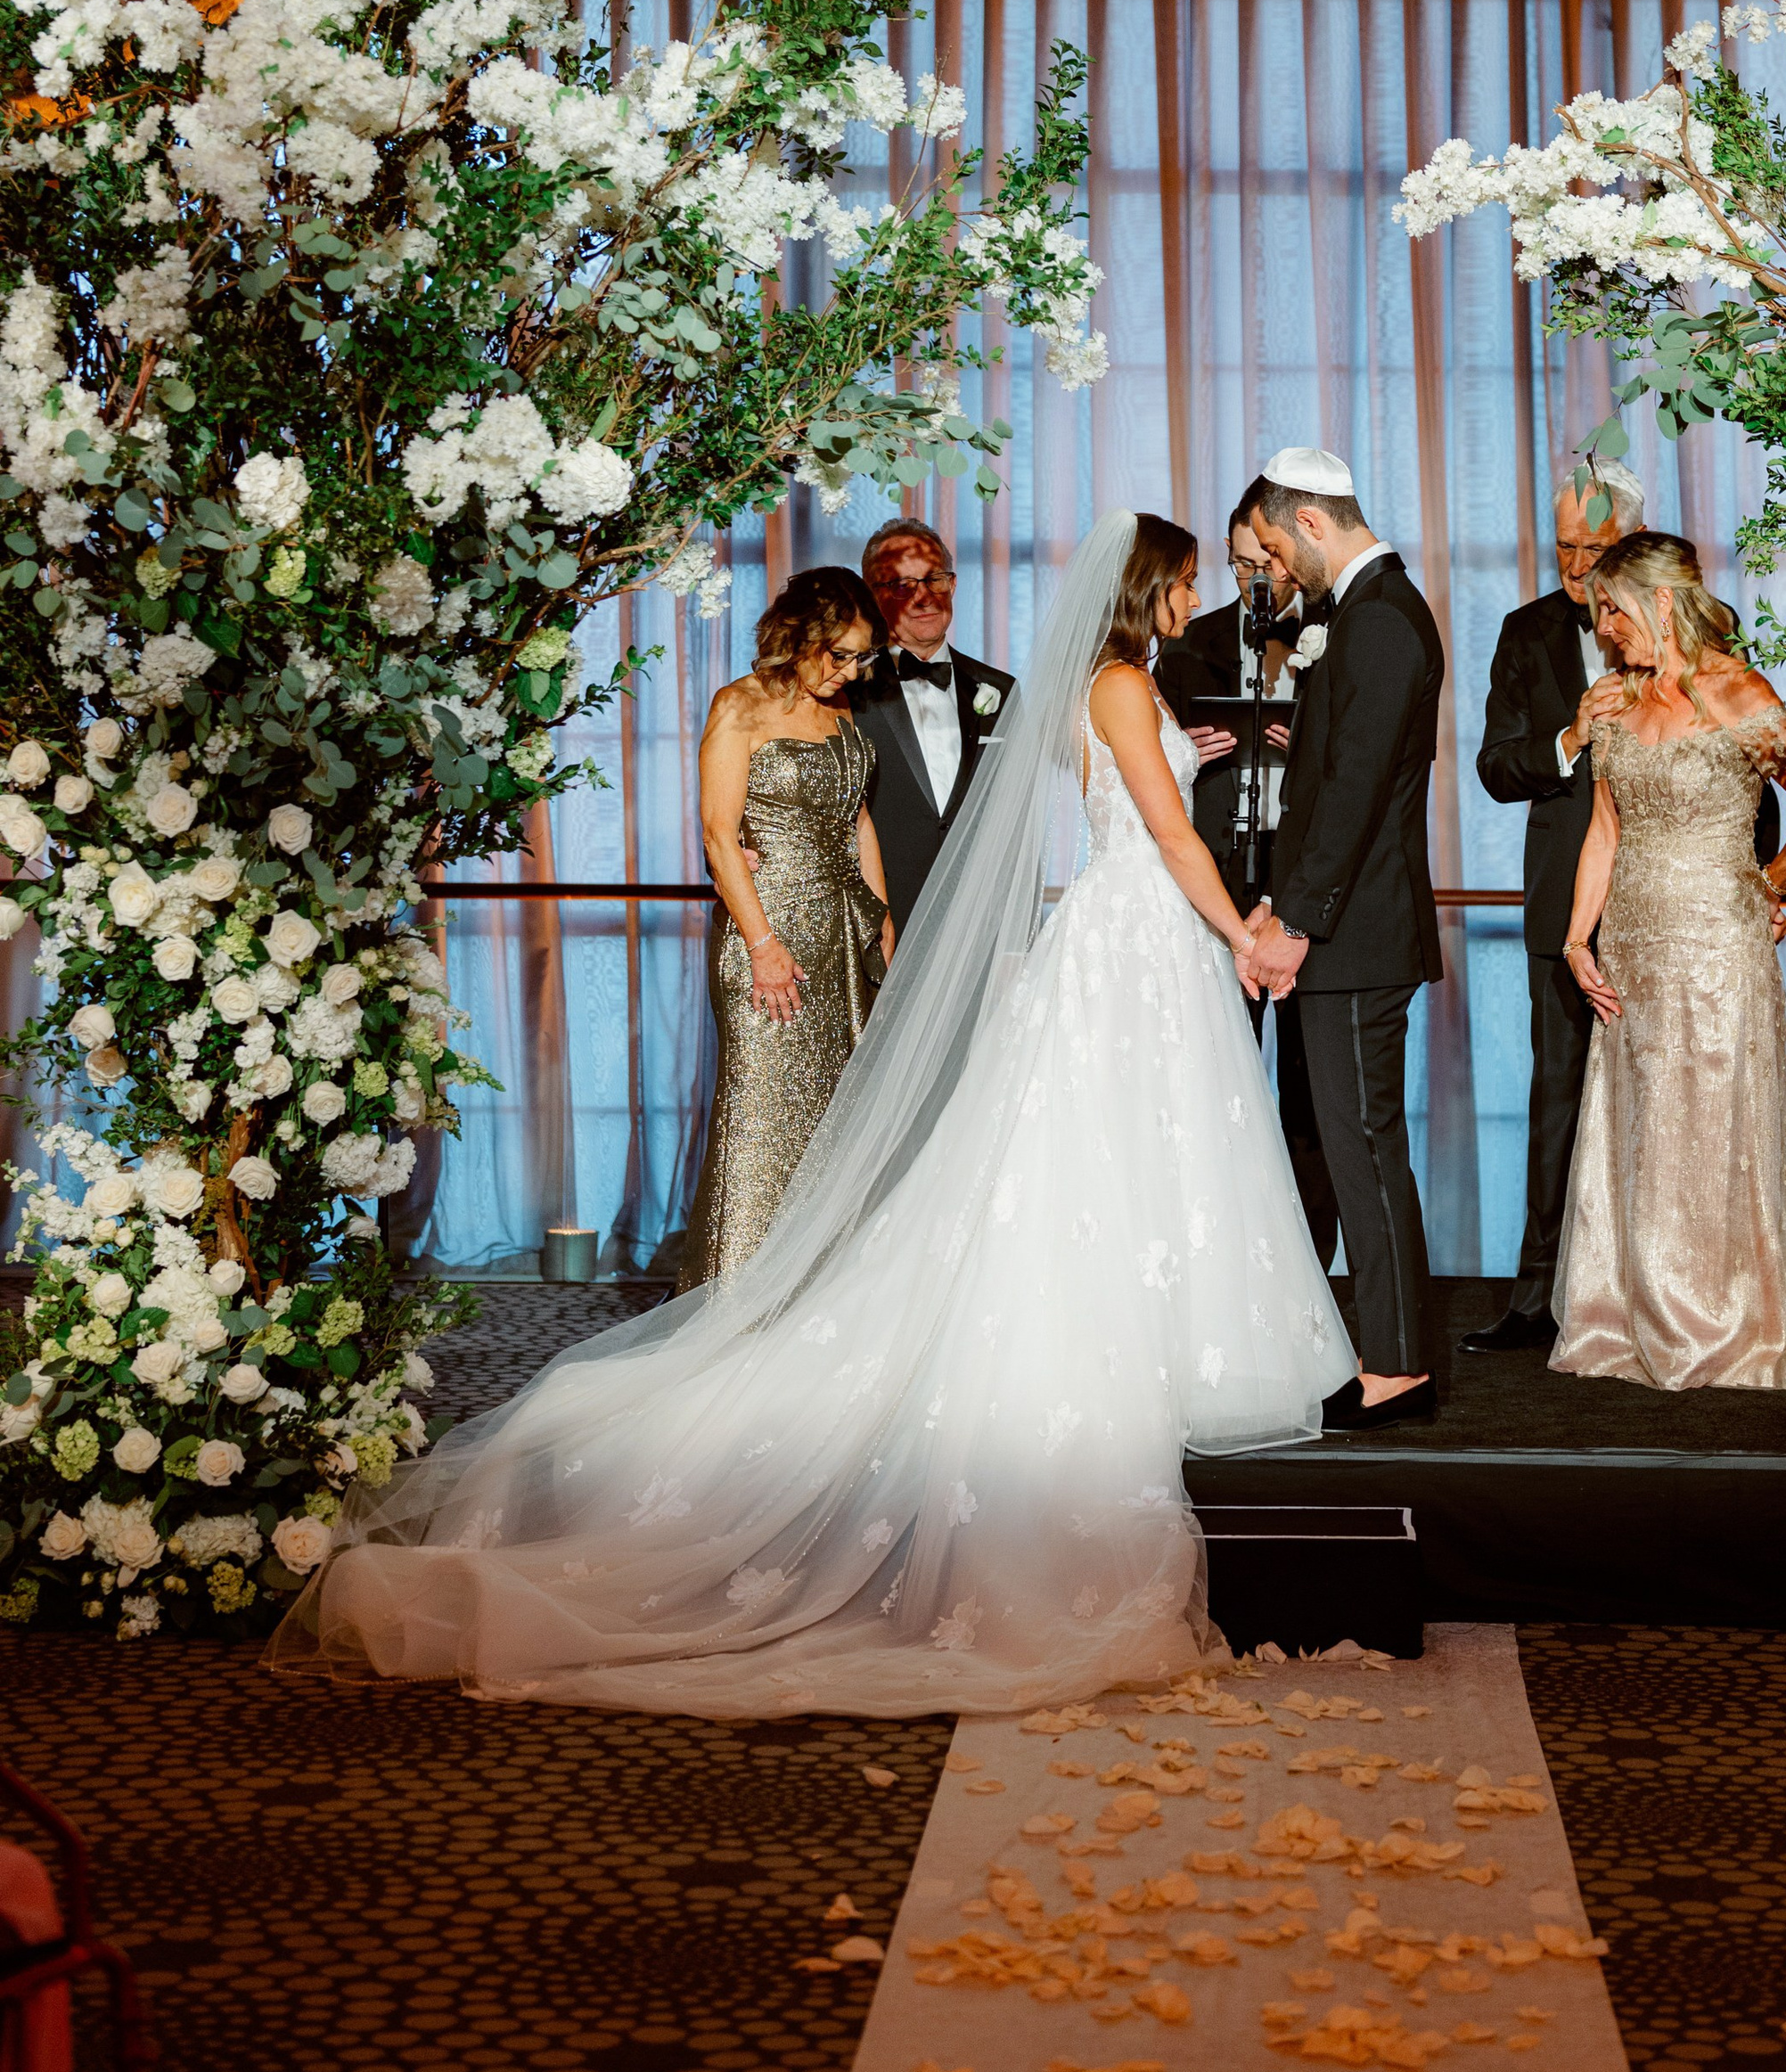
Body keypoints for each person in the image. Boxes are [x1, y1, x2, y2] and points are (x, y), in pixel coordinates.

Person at [271, 512, 1356, 1715]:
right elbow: (1153, 826)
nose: (1198, 594)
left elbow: (1134, 796)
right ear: (1148, 586)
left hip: (1092, 933)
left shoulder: (1105, 687)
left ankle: (1162, 1335)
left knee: (1146, 1150)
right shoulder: (1097, 685)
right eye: (1188, 578)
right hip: (1117, 928)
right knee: (1068, 1154)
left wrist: (1189, 773)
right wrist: (1243, 926)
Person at [1469, 475, 1781, 1355]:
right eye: (1560, 546)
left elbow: (1752, 787)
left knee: (1690, 1104)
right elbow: (1495, 770)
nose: (1572, 566)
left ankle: (1682, 1296)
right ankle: (1542, 1299)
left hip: (1689, 913)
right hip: (1573, 902)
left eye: (1590, 549)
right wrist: (1570, 737)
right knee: (1560, 1104)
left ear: (1635, 545)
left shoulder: (1715, 653)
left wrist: (1756, 884)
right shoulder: (1526, 634)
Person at [1552, 530, 1786, 1392]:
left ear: (1661, 601)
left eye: (1610, 609)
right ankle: (1630, 1316)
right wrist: (1577, 941)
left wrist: (1771, 882)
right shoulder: (1611, 699)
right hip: (1632, 941)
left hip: (1719, 940)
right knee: (1639, 1130)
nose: (1604, 629)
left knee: (1712, 1130)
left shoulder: (1740, 691)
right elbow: (1603, 831)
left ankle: (1724, 1325)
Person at [1242, 448, 1444, 1426]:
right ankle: (1389, 1346)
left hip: (1355, 933)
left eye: (1278, 548)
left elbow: (1355, 792)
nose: (1278, 570)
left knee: (1363, 1144)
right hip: (1343, 927)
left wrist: (1298, 925)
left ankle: (1400, 1363)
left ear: (1313, 525)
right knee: (1355, 1142)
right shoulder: (1363, 618)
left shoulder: (1377, 622)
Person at [683, 568, 894, 1284]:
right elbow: (717, 835)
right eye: (838, 653)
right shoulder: (739, 707)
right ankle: (732, 1311)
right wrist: (763, 946)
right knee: (763, 1125)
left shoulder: (842, 716)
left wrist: (882, 931)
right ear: (798, 636)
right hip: (768, 940)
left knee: (834, 1130)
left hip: (842, 938)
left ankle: (815, 1300)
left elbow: (859, 824)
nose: (849, 669)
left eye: (861, 656)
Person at [1154, 479, 1334, 1265]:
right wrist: (1185, 756)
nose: (1251, 577)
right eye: (1235, 564)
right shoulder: (1188, 639)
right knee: (1210, 1083)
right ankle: (1216, 1262)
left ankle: (1311, 1269)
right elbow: (1145, 761)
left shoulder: (1334, 632)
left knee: (1309, 1098)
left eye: (1264, 560)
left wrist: (1314, 746)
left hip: (1299, 883)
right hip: (1215, 884)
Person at [847, 519, 1013, 940]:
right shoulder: (846, 688)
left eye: (933, 579)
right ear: (873, 595)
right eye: (902, 585)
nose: (923, 597)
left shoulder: (1001, 689)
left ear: (952, 585)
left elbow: (1017, 806)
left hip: (976, 918)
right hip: (876, 918)